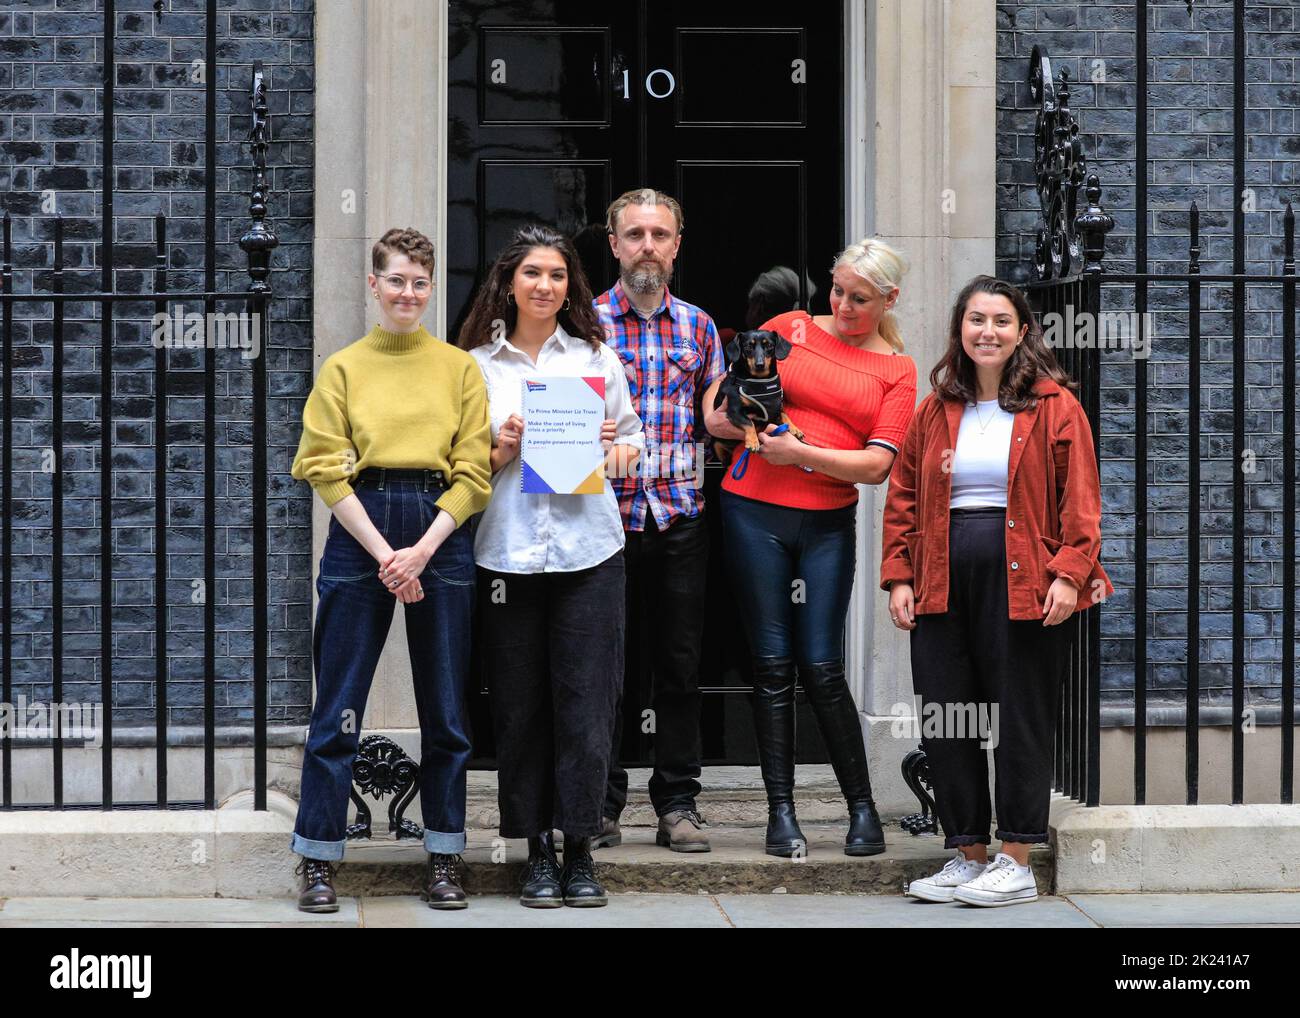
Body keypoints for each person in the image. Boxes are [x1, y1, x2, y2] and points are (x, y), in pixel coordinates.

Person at [886, 275, 1113, 907]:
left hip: (1025, 582)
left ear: (1021, 332)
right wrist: (899, 575)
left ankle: (1015, 856)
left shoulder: (1054, 405)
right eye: (976, 320)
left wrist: (1070, 575)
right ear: (960, 329)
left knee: (1019, 717)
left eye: (1001, 321)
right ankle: (968, 853)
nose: (988, 332)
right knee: (946, 715)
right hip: (940, 578)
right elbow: (903, 494)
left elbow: (1082, 502)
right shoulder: (935, 408)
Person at [288, 227, 492, 912]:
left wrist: (424, 550)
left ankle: (444, 856)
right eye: (397, 280)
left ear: (432, 288)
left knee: (447, 709)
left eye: (420, 282)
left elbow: (475, 471)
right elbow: (321, 464)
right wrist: (387, 556)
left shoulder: (459, 368)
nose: (408, 293)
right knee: (337, 706)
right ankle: (318, 858)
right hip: (362, 525)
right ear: (373, 286)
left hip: (441, 528)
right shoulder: (344, 368)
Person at [711, 238, 917, 857]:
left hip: (827, 521)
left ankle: (862, 808)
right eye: (838, 292)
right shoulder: (788, 328)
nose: (845, 307)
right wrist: (737, 423)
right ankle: (782, 813)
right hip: (752, 509)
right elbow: (720, 403)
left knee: (823, 666)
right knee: (772, 665)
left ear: (889, 300)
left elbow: (878, 466)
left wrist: (800, 453)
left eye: (860, 299)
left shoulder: (896, 370)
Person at [459, 224, 643, 907]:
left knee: (587, 703)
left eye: (558, 275)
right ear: (509, 281)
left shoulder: (596, 357)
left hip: (588, 553)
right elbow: (459, 472)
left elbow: (633, 451)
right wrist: (501, 451)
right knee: (520, 706)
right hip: (506, 556)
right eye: (533, 273)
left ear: (572, 287)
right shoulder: (475, 365)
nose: (545, 285)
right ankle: (534, 849)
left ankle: (580, 848)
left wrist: (606, 449)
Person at [592, 189, 727, 853]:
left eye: (660, 234)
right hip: (603, 520)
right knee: (604, 664)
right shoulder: (582, 326)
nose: (648, 245)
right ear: (614, 244)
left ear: (677, 245)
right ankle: (600, 801)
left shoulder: (700, 329)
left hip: (679, 518)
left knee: (678, 665)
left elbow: (718, 422)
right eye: (635, 234)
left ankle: (678, 805)